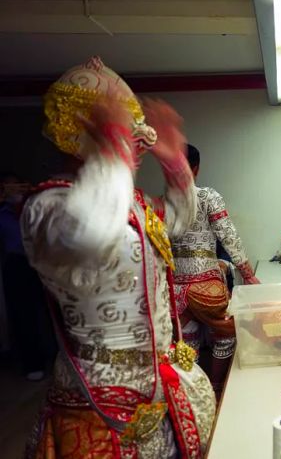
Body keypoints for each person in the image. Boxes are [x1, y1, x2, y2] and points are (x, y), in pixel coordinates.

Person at [21, 57, 216, 458]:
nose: (135, 143)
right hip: (97, 398)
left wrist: (175, 163)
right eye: (124, 133)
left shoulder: (132, 203)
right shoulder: (47, 206)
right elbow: (93, 234)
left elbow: (178, 220)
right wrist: (112, 156)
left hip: (161, 384)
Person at [171, 144, 259, 399]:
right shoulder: (207, 196)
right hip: (205, 285)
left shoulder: (161, 204)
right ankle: (217, 390)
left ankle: (196, 399)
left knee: (188, 344)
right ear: (196, 169)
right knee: (226, 336)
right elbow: (228, 235)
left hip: (175, 289)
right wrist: (247, 273)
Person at [0, 174, 54, 381]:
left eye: (17, 184)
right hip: (16, 264)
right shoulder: (2, 213)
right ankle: (33, 363)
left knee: (54, 310)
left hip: (43, 261)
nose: (14, 189)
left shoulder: (35, 206)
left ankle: (64, 359)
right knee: (23, 316)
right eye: (8, 185)